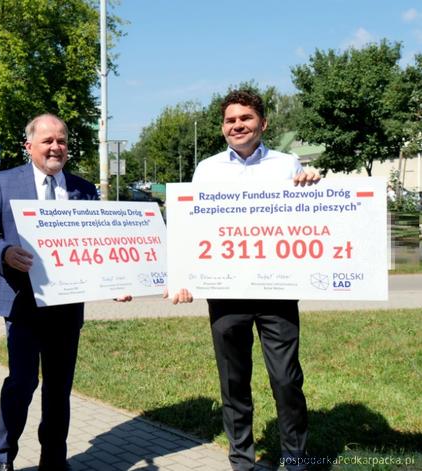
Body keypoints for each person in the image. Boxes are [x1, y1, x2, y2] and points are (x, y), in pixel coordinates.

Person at [171, 89, 319, 471]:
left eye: (246, 118)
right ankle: (242, 459)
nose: (237, 125)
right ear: (223, 128)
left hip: (277, 291)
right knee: (234, 383)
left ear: (263, 123)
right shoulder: (207, 169)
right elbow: (192, 226)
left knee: (286, 380)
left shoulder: (289, 165)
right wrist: (183, 276)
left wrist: (315, 185)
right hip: (225, 292)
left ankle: (296, 459)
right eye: (230, 120)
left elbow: (311, 218)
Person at [0, 114, 130, 471]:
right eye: (47, 141)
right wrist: (4, 253)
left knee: (58, 389)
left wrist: (115, 280)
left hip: (65, 307)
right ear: (28, 145)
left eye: (61, 141)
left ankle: (54, 459)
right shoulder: (5, 181)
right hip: (23, 305)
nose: (55, 147)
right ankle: (4, 458)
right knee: (21, 383)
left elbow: (98, 245)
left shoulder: (83, 189)